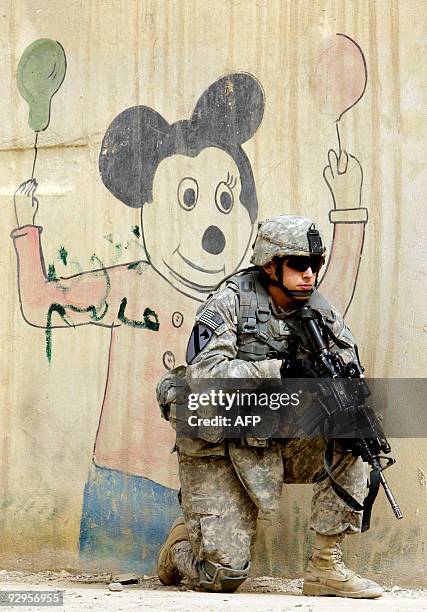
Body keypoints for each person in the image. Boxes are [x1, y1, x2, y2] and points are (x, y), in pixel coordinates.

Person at [156, 215, 383, 598]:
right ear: (270, 265)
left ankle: (325, 566)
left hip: (275, 440)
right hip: (221, 446)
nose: (309, 274)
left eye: (315, 264)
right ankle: (181, 546)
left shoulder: (319, 312)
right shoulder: (228, 303)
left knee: (351, 430)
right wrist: (283, 369)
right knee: (222, 577)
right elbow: (206, 378)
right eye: (298, 264)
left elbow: (350, 372)